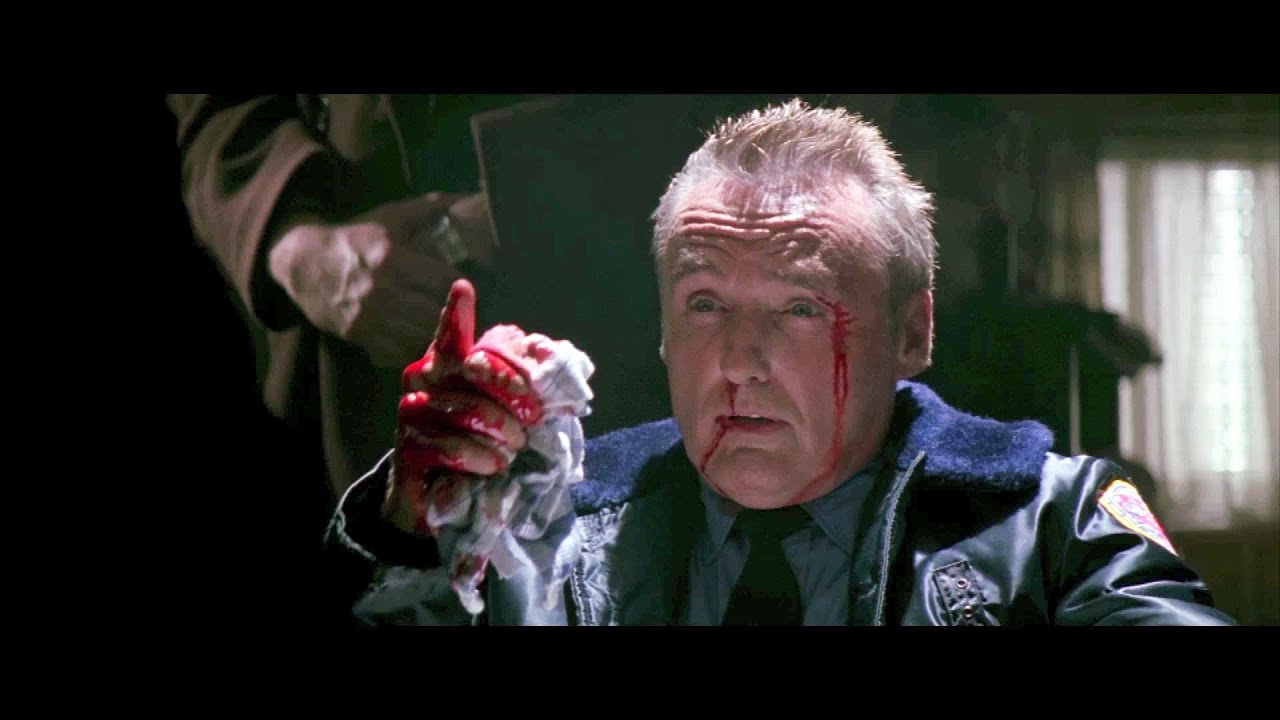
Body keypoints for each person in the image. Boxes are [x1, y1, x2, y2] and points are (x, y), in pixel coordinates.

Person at [322, 99, 1235, 625]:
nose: (739, 362)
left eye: (801, 309)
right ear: (662, 332)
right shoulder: (544, 533)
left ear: (911, 336)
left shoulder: (1052, 525)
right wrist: (411, 534)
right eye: (704, 303)